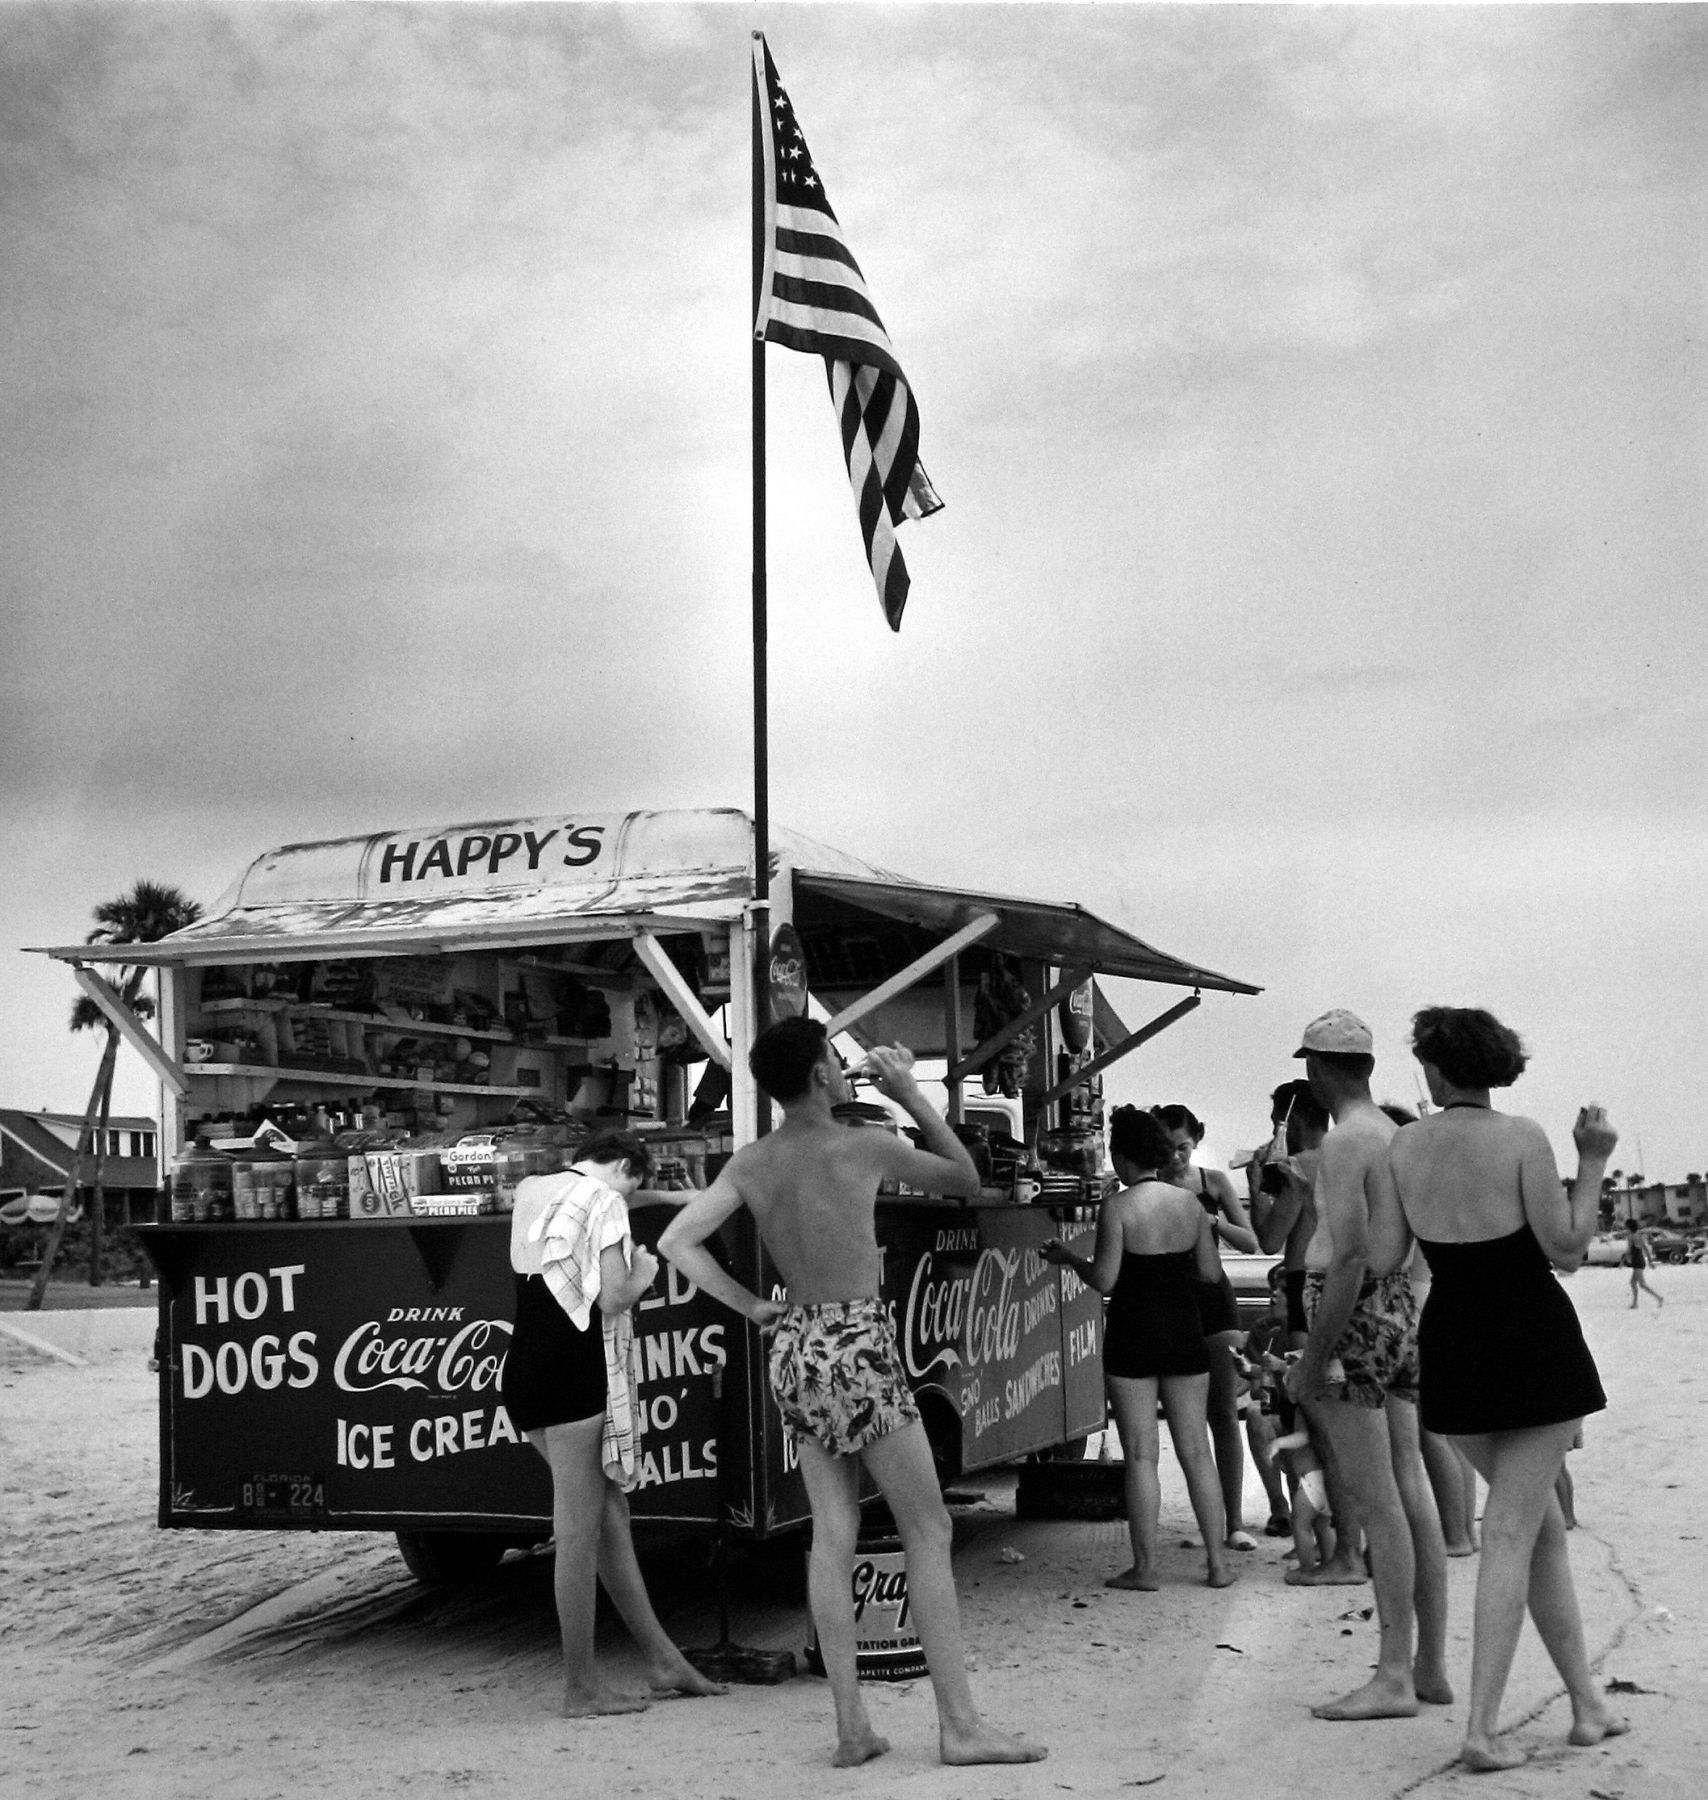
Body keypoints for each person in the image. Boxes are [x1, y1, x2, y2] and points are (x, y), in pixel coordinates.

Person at [658, 1019, 1045, 1770]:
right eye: (835, 1063)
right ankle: (960, 1726)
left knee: (830, 1534)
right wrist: (911, 1094)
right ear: (818, 1077)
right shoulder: (862, 1144)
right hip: (857, 1344)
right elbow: (963, 1178)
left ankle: (851, 1727)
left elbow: (676, 1240)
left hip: (797, 1342)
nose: (845, 1072)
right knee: (927, 1532)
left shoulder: (751, 1162)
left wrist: (751, 1306)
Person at [1377, 1006, 1627, 1772]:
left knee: (1538, 1528)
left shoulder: (1402, 1148)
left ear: (1439, 1068)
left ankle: (1586, 1707)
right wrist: (1592, 1161)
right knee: (1514, 1532)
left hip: (1453, 1336)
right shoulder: (1522, 1137)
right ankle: (1482, 1730)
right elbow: (1569, 1250)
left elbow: (1388, 1254)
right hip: (1531, 1338)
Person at [501, 1129, 724, 1717]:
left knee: (609, 1515)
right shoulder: (605, 1206)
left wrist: (672, 1200)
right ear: (626, 1166)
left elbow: (611, 1197)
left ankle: (662, 1659)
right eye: (638, 1183)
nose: (634, 1197)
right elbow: (614, 1297)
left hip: (524, 1368)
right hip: (574, 1376)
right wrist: (647, 1267)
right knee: (577, 1536)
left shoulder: (538, 1187)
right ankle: (582, 1688)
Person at [1282, 1009, 1451, 1721]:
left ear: (1319, 1070)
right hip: (1403, 1310)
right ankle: (1430, 1666)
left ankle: (1390, 1675)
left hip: (1356, 1315)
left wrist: (1312, 1358)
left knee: (1377, 1499)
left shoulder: (1347, 1140)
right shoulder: (1394, 1131)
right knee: (1409, 1488)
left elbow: (1347, 1255)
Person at [1042, 1106, 1235, 1590]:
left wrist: (1070, 1261)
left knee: (1142, 1453)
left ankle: (1146, 1568)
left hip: (1132, 1330)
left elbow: (1105, 1279)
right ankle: (1217, 1564)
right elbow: (1211, 1275)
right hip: (1184, 1328)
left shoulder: (1118, 1207)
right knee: (1197, 1450)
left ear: (1125, 1157)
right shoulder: (1190, 1205)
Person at [1153, 1103, 1260, 1552]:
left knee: (1224, 1418)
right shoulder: (1148, 1185)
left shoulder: (1212, 1183)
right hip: (1171, 1306)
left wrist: (1210, 1219)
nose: (1176, 1157)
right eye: (1167, 1148)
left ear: (1196, 1142)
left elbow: (1251, 1240)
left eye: (1182, 1147)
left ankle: (1233, 1522)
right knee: (1185, 1422)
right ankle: (1208, 1521)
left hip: (1214, 1306)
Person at [1625, 1217, 1664, 1308]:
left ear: (1629, 1227)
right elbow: (1645, 1248)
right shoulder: (1638, 1235)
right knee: (1633, 1283)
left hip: (1637, 1261)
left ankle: (1659, 1298)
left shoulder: (1631, 1237)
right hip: (1640, 1260)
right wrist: (1650, 1261)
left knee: (1642, 1284)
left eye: (1626, 1227)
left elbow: (1629, 1250)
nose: (1625, 1229)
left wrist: (1624, 1260)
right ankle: (1635, 1304)